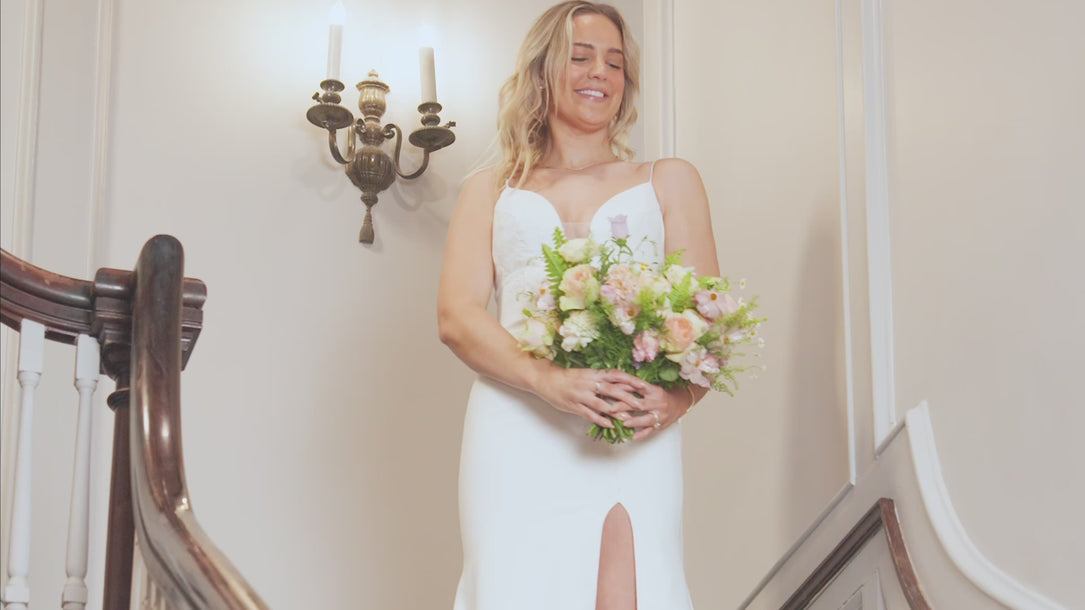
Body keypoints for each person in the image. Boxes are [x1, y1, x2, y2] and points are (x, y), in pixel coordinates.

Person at [437, 2, 719, 608]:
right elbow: (457, 316)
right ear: (543, 69)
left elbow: (707, 328)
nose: (601, 73)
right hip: (513, 426)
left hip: (627, 432)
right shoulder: (489, 189)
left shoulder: (669, 179)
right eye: (582, 56)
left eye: (615, 63)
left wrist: (673, 402)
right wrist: (546, 380)